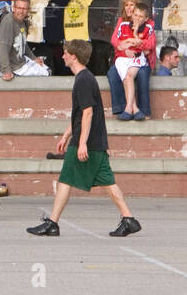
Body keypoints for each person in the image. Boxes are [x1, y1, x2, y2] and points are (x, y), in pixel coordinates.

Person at [27, 39, 141, 237]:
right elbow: (80, 113)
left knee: (65, 179)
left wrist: (81, 143)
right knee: (107, 181)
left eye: (65, 53)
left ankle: (52, 222)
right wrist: (66, 134)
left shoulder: (83, 80)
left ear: (73, 56)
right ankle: (128, 219)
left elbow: (87, 113)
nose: (62, 56)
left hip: (88, 140)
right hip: (94, 140)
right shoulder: (85, 78)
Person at [110, 0, 154, 121]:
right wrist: (125, 50)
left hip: (139, 59)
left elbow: (149, 46)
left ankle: (141, 111)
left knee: (141, 75)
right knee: (114, 74)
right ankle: (130, 108)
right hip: (123, 58)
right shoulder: (122, 23)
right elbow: (116, 43)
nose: (129, 9)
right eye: (126, 5)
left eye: (131, 5)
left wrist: (135, 39)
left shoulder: (149, 25)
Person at [0, 0, 50, 80]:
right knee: (45, 75)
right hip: (13, 67)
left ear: (28, 10)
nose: (21, 11)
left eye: (24, 9)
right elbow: (2, 47)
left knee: (46, 69)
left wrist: (34, 58)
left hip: (21, 62)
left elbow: (23, 44)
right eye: (19, 8)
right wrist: (6, 71)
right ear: (13, 8)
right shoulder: (8, 21)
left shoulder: (24, 21)